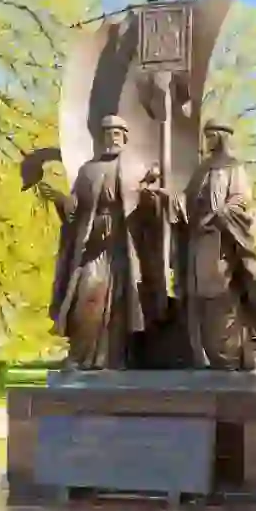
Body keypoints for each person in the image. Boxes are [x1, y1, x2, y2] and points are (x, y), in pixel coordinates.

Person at [48, 115, 163, 369]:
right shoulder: (88, 171)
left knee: (119, 305)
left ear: (124, 137)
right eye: (108, 134)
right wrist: (63, 203)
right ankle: (80, 355)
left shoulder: (135, 169)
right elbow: (75, 211)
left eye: (117, 134)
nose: (112, 139)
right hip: (92, 246)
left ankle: (112, 359)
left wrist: (150, 196)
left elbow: (148, 212)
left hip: (123, 246)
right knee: (87, 297)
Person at [176, 120, 256, 369]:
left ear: (222, 137)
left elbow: (240, 200)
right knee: (197, 295)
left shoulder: (233, 168)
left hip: (221, 240)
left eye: (211, 136)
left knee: (220, 296)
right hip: (199, 241)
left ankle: (229, 356)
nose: (207, 140)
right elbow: (189, 199)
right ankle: (204, 355)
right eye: (206, 136)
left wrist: (221, 214)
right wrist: (177, 201)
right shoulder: (202, 169)